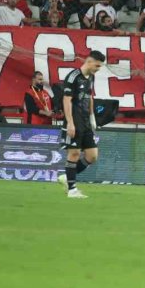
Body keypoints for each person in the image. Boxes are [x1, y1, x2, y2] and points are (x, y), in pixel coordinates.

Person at [57, 51, 106, 198]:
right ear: (89, 61)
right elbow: (66, 100)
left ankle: (66, 177)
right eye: (97, 66)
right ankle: (72, 190)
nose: (98, 69)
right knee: (74, 153)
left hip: (85, 121)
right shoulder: (73, 77)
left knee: (92, 155)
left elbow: (89, 96)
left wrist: (92, 117)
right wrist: (70, 123)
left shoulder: (91, 77)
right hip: (74, 120)